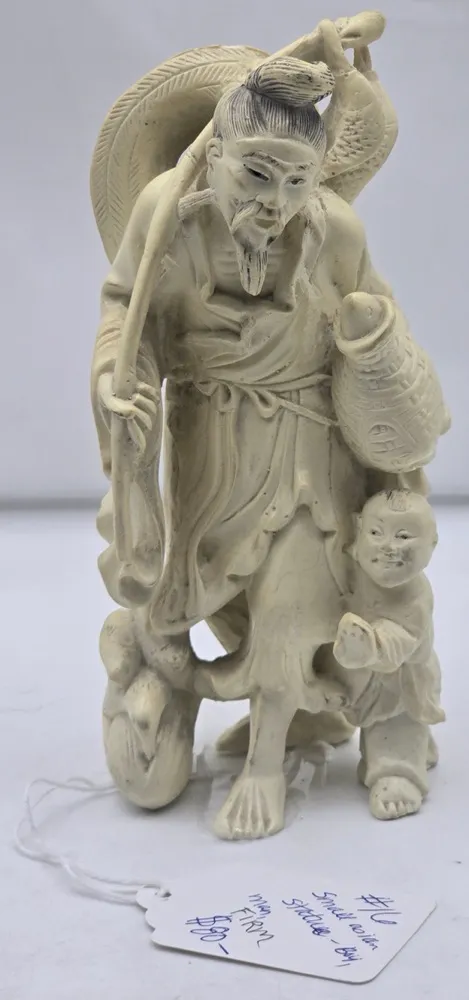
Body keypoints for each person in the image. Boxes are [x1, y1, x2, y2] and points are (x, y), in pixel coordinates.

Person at [92, 48, 448, 839]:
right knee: (204, 596)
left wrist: (369, 340)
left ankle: (267, 761)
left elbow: (379, 338)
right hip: (205, 448)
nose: (274, 202)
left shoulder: (333, 229)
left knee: (292, 600)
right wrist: (119, 381)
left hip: (307, 445)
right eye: (254, 174)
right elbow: (125, 311)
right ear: (214, 154)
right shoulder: (165, 215)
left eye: (296, 181)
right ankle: (200, 696)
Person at [333, 489, 444, 820]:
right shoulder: (349, 568)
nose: (388, 546)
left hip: (402, 680)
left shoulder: (415, 597)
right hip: (357, 678)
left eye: (404, 536)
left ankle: (398, 773)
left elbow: (400, 641)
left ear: (432, 544)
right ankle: (418, 748)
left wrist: (369, 647)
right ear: (358, 532)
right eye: (375, 532)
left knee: (397, 721)